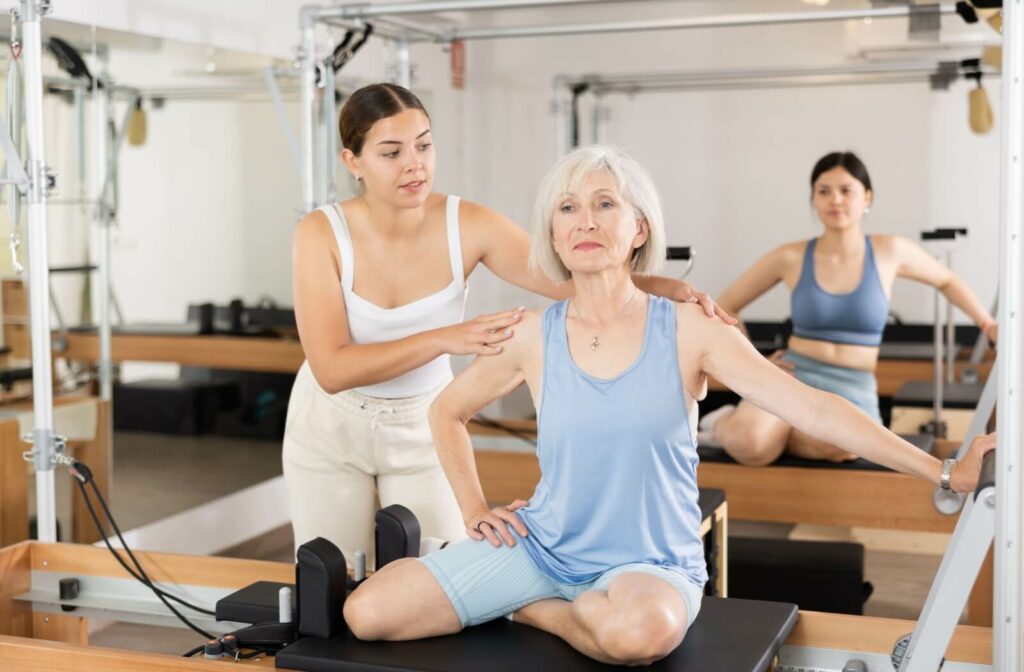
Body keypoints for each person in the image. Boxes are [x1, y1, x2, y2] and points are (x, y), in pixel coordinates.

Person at [341, 145, 995, 666]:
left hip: (651, 563)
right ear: (553, 231)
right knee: (368, 614)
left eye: (604, 204)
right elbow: (445, 411)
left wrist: (944, 471)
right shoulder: (531, 335)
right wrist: (476, 509)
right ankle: (542, 596)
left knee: (640, 635)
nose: (585, 221)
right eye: (567, 208)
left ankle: (529, 608)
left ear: (639, 227)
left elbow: (816, 410)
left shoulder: (689, 329)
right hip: (542, 546)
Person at [283, 84, 731, 563]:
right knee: (328, 578)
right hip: (331, 426)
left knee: (436, 571)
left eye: (424, 145)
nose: (415, 164)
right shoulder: (320, 233)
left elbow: (567, 279)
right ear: (353, 162)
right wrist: (445, 339)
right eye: (391, 152)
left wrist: (667, 289)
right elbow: (331, 369)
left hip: (422, 423)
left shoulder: (468, 223)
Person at [702, 151, 998, 465]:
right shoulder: (791, 256)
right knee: (751, 445)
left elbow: (947, 280)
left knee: (842, 446)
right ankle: (724, 424)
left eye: (846, 190)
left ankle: (769, 425)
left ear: (866, 197)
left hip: (852, 385)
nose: (836, 200)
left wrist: (987, 324)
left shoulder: (890, 251)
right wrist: (756, 364)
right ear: (813, 199)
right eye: (824, 191)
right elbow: (725, 305)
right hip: (793, 376)